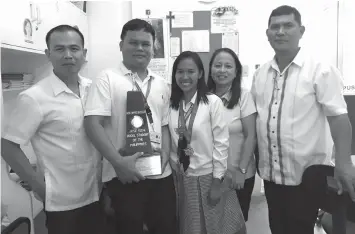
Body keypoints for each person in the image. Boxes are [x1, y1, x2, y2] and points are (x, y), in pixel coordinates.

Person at [251, 5, 354, 234]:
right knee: (277, 228)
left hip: (306, 177)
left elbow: (338, 118)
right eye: (275, 27)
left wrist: (345, 164)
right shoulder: (260, 75)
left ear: (301, 30)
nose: (280, 31)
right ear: (267, 33)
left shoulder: (320, 70)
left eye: (288, 25)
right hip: (271, 176)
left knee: (300, 229)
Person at [1, 25, 103, 234]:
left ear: (84, 54)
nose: (68, 55)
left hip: (96, 192)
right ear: (48, 54)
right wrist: (37, 184)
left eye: (74, 49)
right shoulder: (34, 97)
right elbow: (8, 146)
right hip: (62, 202)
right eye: (59, 49)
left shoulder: (93, 89)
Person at [83, 18, 177, 234]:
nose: (140, 48)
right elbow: (92, 124)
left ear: (154, 47)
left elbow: (163, 124)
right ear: (121, 46)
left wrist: (164, 151)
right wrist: (118, 163)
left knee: (165, 228)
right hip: (124, 174)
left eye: (146, 43)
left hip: (160, 175)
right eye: (133, 43)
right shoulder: (107, 78)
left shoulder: (161, 83)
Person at [168, 50, 246, 234]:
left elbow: (221, 143)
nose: (185, 76)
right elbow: (171, 143)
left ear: (200, 74)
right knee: (192, 227)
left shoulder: (212, 102)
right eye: (180, 72)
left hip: (209, 176)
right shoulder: (172, 105)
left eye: (190, 71)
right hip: (184, 178)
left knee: (217, 227)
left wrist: (217, 182)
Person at [207, 48, 257, 222]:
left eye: (228, 66)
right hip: (210, 175)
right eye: (217, 65)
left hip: (238, 175)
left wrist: (241, 171)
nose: (222, 70)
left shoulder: (244, 97)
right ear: (210, 69)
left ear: (236, 72)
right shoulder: (203, 98)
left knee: (235, 223)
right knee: (212, 223)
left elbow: (251, 136)